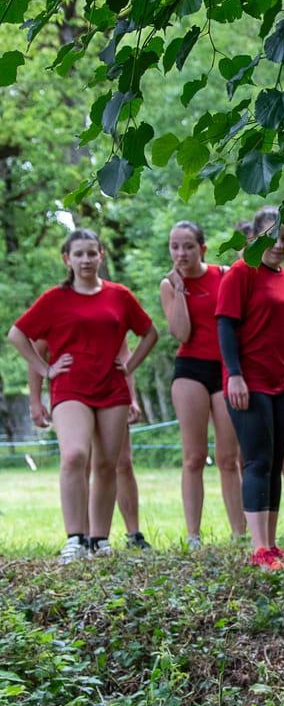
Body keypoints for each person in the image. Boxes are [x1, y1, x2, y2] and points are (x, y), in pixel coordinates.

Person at [8, 227, 158, 562]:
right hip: (70, 387)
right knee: (75, 455)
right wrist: (45, 369)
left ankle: (99, 540)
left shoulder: (120, 295)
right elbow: (17, 334)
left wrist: (129, 366)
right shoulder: (54, 299)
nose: (86, 259)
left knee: (107, 463)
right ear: (67, 259)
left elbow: (150, 333)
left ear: (101, 256)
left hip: (112, 388)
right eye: (79, 254)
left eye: (92, 253)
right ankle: (75, 538)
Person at [216, 206, 284, 570]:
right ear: (254, 238)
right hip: (249, 383)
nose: (279, 245)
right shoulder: (240, 274)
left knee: (275, 462)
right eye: (271, 237)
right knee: (257, 460)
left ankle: (272, 545)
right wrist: (235, 375)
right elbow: (226, 327)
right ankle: (258, 548)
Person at [160, 220, 245, 549]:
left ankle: (239, 533)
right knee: (194, 456)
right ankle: (193, 535)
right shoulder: (168, 284)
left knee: (228, 457)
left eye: (188, 246)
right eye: (175, 247)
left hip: (225, 369)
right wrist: (180, 289)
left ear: (202, 249)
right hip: (190, 369)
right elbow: (181, 333)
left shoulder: (225, 275)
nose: (181, 253)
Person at [27, 344, 151, 549]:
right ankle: (83, 537)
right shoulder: (55, 321)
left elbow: (123, 353)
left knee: (122, 462)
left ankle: (134, 535)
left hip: (110, 393)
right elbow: (36, 351)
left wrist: (132, 398)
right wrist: (36, 400)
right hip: (72, 395)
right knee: (79, 461)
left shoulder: (111, 321)